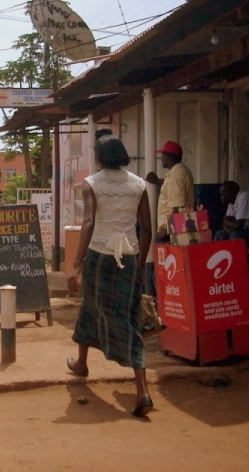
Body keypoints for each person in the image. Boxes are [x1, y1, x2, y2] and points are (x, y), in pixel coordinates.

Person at [66, 137, 154, 418]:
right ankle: (140, 388)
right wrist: (140, 265)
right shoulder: (139, 185)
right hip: (129, 257)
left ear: (100, 157)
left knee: (90, 307)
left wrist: (76, 265)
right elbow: (147, 229)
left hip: (99, 256)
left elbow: (89, 222)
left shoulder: (91, 183)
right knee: (126, 317)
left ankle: (83, 364)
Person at [145, 140, 195, 242]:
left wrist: (166, 231)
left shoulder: (176, 175)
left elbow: (177, 207)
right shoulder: (183, 171)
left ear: (168, 156)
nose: (161, 159)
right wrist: (158, 181)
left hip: (171, 232)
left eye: (163, 155)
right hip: (177, 229)